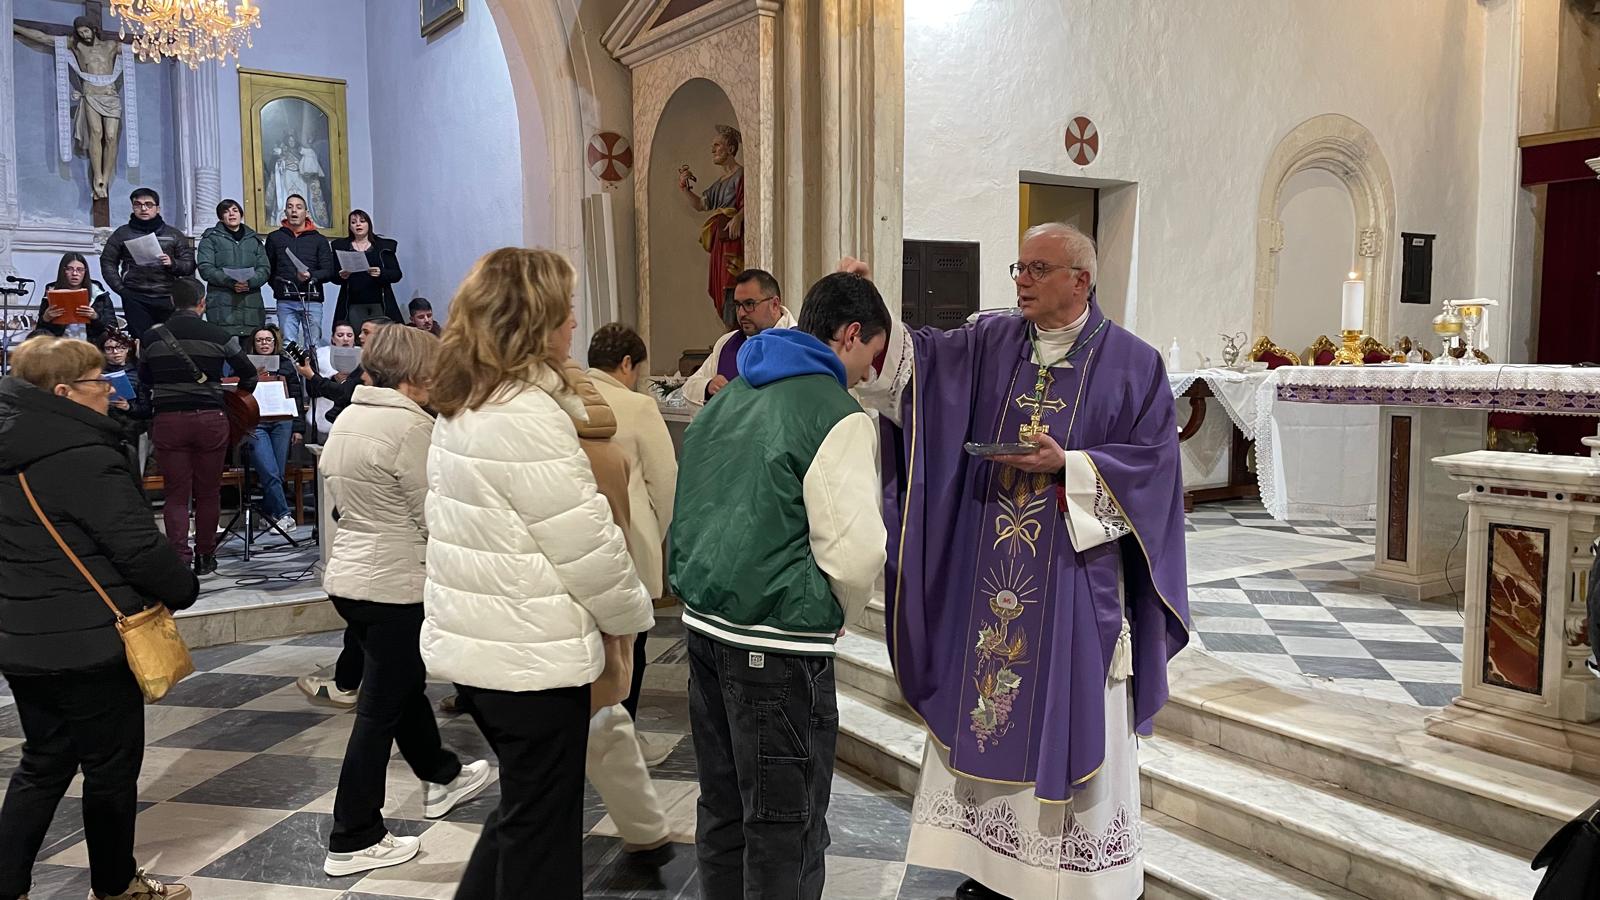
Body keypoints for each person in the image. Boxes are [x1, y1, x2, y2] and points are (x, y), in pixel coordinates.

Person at [851, 223, 1190, 900]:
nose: (1022, 281)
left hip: (1073, 584)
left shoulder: (1133, 363)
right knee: (984, 712)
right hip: (988, 575)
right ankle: (990, 868)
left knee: (1064, 719)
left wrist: (1072, 465)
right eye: (1020, 267)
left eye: (1038, 269)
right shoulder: (991, 341)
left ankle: (1056, 879)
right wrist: (871, 313)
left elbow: (1156, 473)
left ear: (1080, 281)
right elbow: (917, 370)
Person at [421, 248, 653, 899]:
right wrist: (634, 617)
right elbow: (589, 545)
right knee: (543, 841)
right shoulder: (526, 415)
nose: (575, 323)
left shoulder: (467, 402)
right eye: (565, 309)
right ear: (533, 320)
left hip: (486, 648)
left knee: (523, 814)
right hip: (531, 659)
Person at [669, 272, 891, 899]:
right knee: (784, 826)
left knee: (724, 807)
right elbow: (855, 552)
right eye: (872, 355)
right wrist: (837, 610)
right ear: (850, 334)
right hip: (777, 642)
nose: (870, 374)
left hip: (705, 628)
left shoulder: (734, 392)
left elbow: (695, 503)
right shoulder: (836, 412)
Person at [0, 336, 200, 900]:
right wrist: (181, 588)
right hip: (92, 641)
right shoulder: (83, 455)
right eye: (99, 382)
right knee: (110, 769)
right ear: (64, 392)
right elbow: (137, 548)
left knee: (43, 761)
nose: (110, 392)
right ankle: (115, 886)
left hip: (21, 637)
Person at [319, 324, 491, 877]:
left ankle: (442, 776)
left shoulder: (350, 416)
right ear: (417, 373)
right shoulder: (411, 428)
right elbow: (433, 512)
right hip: (395, 584)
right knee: (378, 711)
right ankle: (353, 836)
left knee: (399, 687)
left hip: (351, 578)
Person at [586, 323, 678, 752]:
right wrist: (653, 535)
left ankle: (584, 732)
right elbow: (665, 479)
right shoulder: (639, 406)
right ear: (626, 363)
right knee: (630, 646)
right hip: (628, 537)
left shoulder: (563, 400)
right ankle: (622, 738)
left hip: (579, 540)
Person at [141, 278, 258, 575]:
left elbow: (144, 379)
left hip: (169, 420)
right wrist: (236, 398)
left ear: (172, 302)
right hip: (210, 419)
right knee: (208, 492)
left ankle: (181, 557)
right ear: (202, 303)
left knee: (176, 493)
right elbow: (249, 373)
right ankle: (206, 555)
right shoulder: (218, 335)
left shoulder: (152, 337)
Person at [681, 268, 795, 408]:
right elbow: (689, 388)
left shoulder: (799, 344)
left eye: (749, 304)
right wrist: (708, 387)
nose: (741, 313)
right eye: (737, 305)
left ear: (775, 304)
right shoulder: (727, 343)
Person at [100, 188, 197, 341]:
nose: (143, 208)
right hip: (135, 295)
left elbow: (189, 265)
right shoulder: (122, 233)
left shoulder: (173, 234)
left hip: (168, 296)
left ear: (157, 208)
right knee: (141, 341)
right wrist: (121, 289)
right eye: (138, 204)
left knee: (170, 341)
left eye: (148, 204)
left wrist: (173, 263)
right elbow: (107, 262)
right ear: (133, 207)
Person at [243, 326, 307, 535]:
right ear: (253, 343)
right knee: (269, 470)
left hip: (282, 421)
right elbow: (236, 391)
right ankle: (284, 515)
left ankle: (267, 513)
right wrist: (253, 377)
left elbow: (296, 395)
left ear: (275, 342)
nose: (264, 343)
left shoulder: (285, 363)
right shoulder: (245, 364)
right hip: (256, 422)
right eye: (260, 340)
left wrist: (298, 428)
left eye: (268, 340)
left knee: (277, 472)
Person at [677, 125, 745, 318]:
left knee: (731, 283)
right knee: (719, 285)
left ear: (730, 149)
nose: (712, 150)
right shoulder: (721, 182)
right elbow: (701, 204)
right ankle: (727, 322)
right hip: (719, 240)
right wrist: (684, 188)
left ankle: (734, 323)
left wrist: (738, 217)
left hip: (733, 240)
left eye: (717, 145)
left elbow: (751, 201)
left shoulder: (741, 175)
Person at [264, 194, 336, 350]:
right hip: (286, 299)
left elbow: (328, 271)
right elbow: (268, 269)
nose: (294, 211)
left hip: (312, 299)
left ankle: (312, 367)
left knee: (313, 344)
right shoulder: (275, 238)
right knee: (288, 344)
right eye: (290, 207)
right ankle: (292, 368)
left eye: (298, 207)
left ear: (306, 212)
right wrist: (278, 286)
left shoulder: (319, 240)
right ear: (285, 212)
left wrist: (311, 276)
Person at [197, 199, 272, 342]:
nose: (231, 214)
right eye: (226, 212)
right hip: (222, 304)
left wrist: (250, 282)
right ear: (221, 217)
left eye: (235, 210)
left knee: (250, 350)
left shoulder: (254, 240)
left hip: (250, 303)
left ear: (241, 215)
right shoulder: (210, 239)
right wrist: (230, 282)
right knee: (222, 348)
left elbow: (264, 268)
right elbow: (205, 268)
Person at [331, 210, 403, 330]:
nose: (358, 224)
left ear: (369, 224)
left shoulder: (383, 246)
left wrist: (381, 273)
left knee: (381, 337)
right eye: (353, 222)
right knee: (355, 336)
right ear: (349, 227)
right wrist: (341, 275)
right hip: (352, 303)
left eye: (362, 221)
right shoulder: (342, 246)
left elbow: (397, 274)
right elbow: (333, 276)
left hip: (380, 302)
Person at [36, 252, 115, 342]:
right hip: (60, 345)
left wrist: (95, 317)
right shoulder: (51, 293)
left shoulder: (98, 294)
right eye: (69, 269)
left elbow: (112, 328)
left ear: (85, 271)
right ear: (63, 271)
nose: (74, 273)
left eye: (80, 269)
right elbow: (40, 332)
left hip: (90, 346)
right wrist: (45, 319)